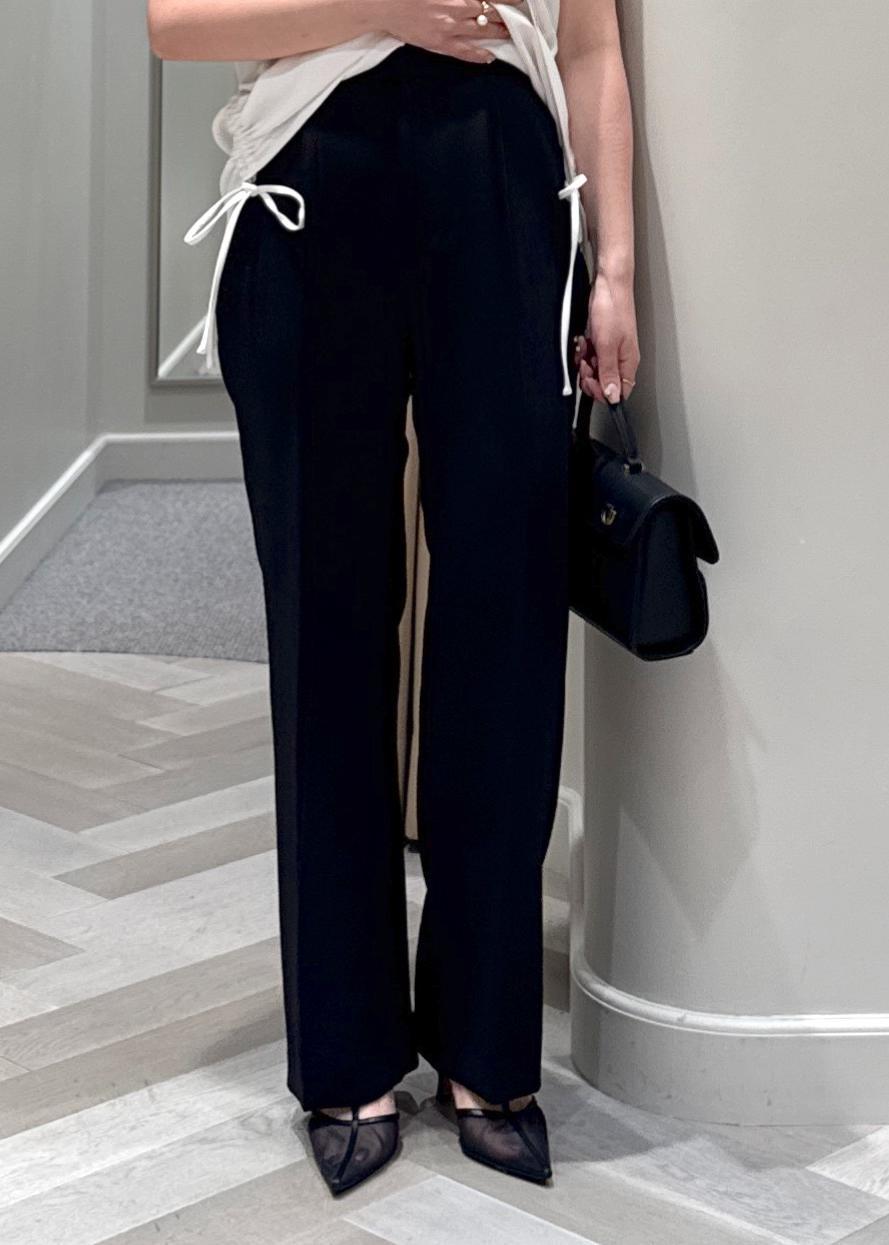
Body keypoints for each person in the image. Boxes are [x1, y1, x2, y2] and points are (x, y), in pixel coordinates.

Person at [148, 0, 639, 1195]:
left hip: (506, 190)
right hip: (310, 187)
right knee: (325, 626)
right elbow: (177, 24)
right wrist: (380, 8)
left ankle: (488, 1049)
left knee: (505, 623)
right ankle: (345, 1057)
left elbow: (590, 47)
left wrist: (615, 268)